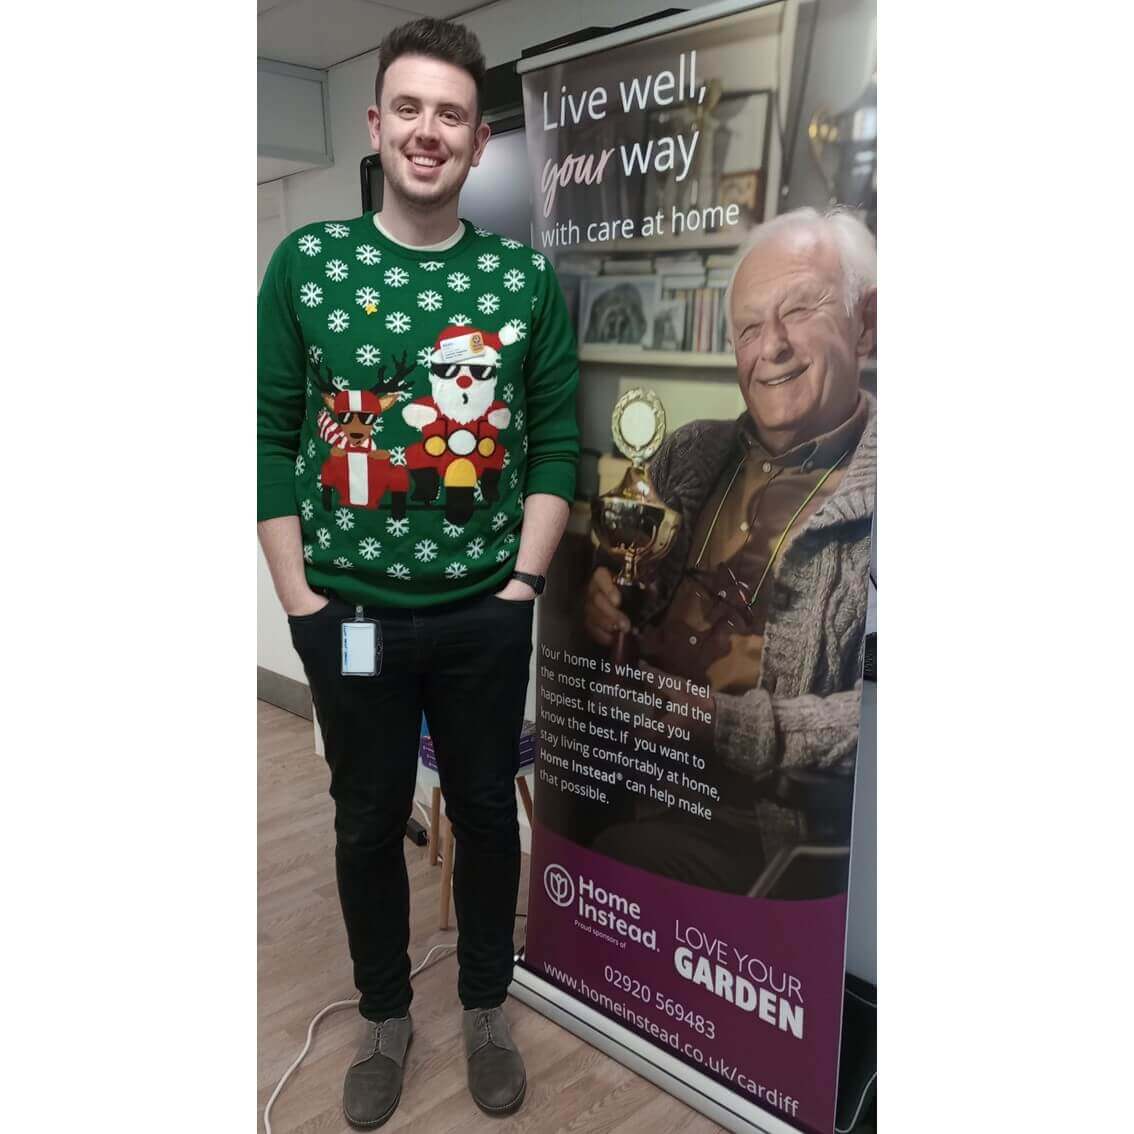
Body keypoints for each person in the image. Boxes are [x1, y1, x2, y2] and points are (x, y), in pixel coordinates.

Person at [257, 17, 579, 1127]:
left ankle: (485, 1005)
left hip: (484, 614)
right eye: (409, 108)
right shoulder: (310, 265)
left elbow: (554, 444)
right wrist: (302, 603)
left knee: (487, 816)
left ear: (478, 140)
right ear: (376, 124)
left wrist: (521, 587)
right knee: (365, 822)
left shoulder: (520, 280)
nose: (427, 131)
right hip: (350, 618)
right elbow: (268, 437)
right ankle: (386, 1016)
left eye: (450, 114)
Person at [583, 207, 875, 897]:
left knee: (613, 860)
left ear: (866, 325)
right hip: (633, 770)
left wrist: (727, 725)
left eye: (798, 309)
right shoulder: (691, 450)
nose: (771, 347)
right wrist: (606, 594)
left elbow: (875, 721)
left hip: (759, 834)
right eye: (748, 327)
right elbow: (629, 568)